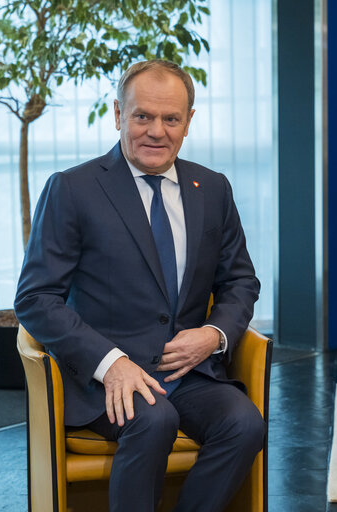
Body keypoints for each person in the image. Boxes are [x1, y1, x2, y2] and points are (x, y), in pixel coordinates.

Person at [15, 59, 263, 512]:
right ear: (117, 114)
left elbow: (241, 280)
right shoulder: (72, 189)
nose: (156, 131)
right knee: (153, 419)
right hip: (106, 375)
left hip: (189, 373)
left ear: (189, 122)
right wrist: (110, 363)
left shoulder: (213, 187)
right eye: (142, 116)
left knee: (245, 424)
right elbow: (35, 299)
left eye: (171, 118)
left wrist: (213, 335)